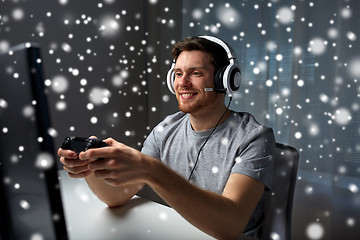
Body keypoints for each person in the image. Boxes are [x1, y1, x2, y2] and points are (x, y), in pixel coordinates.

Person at [58, 36, 275, 240]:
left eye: (196, 73)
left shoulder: (254, 137)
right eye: (178, 74)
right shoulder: (166, 129)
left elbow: (230, 225)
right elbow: (118, 196)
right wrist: (90, 166)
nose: (183, 83)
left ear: (224, 79)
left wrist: (152, 171)